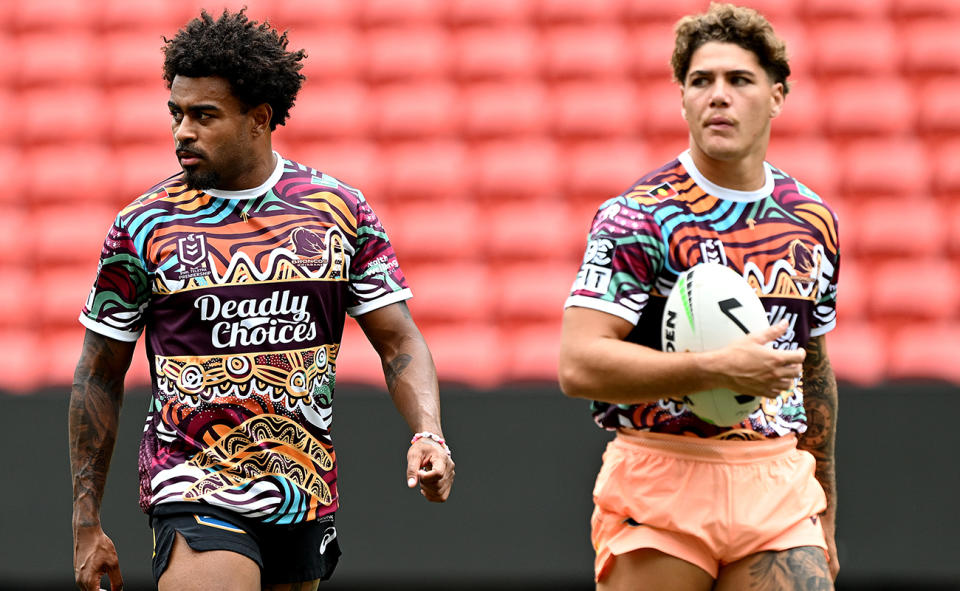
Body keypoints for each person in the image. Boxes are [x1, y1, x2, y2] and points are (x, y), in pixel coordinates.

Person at [69, 9, 454, 591]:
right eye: (176, 113)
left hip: (305, 490)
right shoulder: (143, 225)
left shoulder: (338, 211)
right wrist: (85, 521)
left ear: (260, 118)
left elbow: (399, 341)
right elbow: (99, 373)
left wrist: (428, 432)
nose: (182, 132)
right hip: (191, 482)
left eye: (204, 116)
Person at [558, 4, 839, 590]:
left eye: (739, 80)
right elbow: (579, 364)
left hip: (778, 485)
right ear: (682, 97)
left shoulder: (811, 220)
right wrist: (716, 369)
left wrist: (827, 507)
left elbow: (812, 365)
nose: (718, 95)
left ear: (777, 96)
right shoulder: (637, 215)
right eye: (700, 81)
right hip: (660, 479)